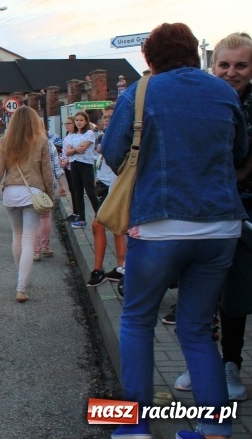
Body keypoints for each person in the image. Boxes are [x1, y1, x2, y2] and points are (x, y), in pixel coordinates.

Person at [101, 23, 247, 439]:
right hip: (221, 226)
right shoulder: (224, 92)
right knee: (197, 328)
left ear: (149, 58)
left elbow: (112, 153)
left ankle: (134, 426)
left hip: (160, 224)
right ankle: (215, 428)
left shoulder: (140, 93)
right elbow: (239, 153)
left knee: (137, 321)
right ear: (194, 54)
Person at [174, 32, 252, 403]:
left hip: (242, 205)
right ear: (213, 65)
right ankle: (200, 358)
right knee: (198, 287)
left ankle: (231, 362)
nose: (232, 72)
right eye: (224, 64)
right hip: (199, 205)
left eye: (241, 65)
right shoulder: (199, 96)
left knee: (234, 290)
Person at [0, 106, 53, 303]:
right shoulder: (41, 141)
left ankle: (21, 275)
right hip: (33, 193)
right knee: (29, 239)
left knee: (17, 236)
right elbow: (47, 173)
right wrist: (50, 197)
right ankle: (21, 286)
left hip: (11, 193)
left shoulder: (6, 141)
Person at [86, 104, 126, 286]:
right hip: (107, 185)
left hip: (118, 188)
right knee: (115, 228)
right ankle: (119, 268)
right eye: (105, 117)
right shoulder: (106, 135)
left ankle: (99, 269)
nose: (107, 120)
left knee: (98, 224)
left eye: (111, 117)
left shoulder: (122, 136)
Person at [34, 122, 67, 262]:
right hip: (49, 183)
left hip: (32, 185)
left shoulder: (28, 144)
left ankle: (36, 251)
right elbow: (56, 167)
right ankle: (45, 247)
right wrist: (62, 185)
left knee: (34, 218)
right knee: (45, 216)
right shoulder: (49, 144)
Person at [64, 111, 99, 229]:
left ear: (86, 121)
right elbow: (68, 152)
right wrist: (75, 149)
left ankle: (100, 217)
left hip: (86, 164)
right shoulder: (72, 135)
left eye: (81, 120)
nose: (78, 122)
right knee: (77, 191)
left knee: (90, 192)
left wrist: (74, 149)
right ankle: (82, 219)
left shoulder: (89, 133)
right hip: (74, 164)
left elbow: (83, 148)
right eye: (77, 120)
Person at [60, 116, 80, 222]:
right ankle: (75, 212)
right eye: (65, 123)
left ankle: (79, 213)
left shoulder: (76, 136)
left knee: (76, 189)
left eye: (69, 123)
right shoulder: (68, 135)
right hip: (67, 167)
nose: (67, 125)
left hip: (72, 165)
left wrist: (66, 162)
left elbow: (72, 151)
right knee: (72, 189)